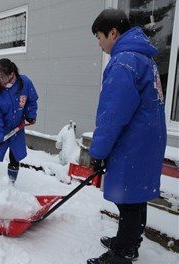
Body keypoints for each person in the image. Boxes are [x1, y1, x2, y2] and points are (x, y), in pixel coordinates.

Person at [88, 9, 166, 264]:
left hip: (132, 143)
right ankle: (129, 241)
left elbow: (112, 114)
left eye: (100, 37)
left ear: (113, 33)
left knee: (128, 201)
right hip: (147, 141)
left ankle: (122, 253)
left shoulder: (124, 62)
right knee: (136, 196)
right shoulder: (145, 59)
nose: (100, 44)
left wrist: (98, 152)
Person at [0, 58, 38, 183]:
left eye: (2, 77)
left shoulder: (24, 82)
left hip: (17, 127)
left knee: (15, 156)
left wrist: (31, 114)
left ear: (12, 74)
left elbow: (31, 100)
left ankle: (11, 184)